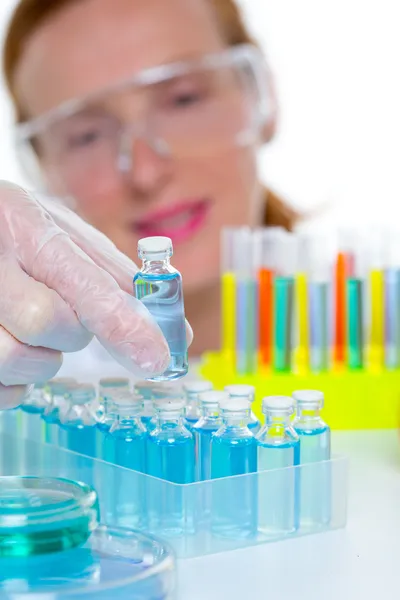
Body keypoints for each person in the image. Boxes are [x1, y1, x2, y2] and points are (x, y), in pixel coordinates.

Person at [0, 0, 299, 408]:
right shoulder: (31, 389)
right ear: (41, 167)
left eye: (183, 100)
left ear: (261, 92)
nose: (145, 171)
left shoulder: (379, 324)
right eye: (86, 135)